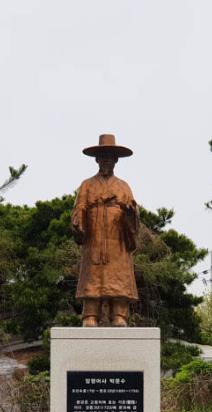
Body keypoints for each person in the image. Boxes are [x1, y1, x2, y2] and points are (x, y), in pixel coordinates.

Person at [71, 134, 140, 327]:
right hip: (94, 236)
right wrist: (79, 219)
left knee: (118, 274)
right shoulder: (87, 185)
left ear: (116, 160)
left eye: (110, 157)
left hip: (116, 237)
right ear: (97, 159)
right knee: (92, 274)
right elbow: (79, 208)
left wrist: (129, 212)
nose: (106, 160)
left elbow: (134, 212)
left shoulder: (123, 186)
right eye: (103, 157)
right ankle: (90, 314)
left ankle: (119, 314)